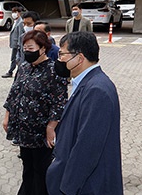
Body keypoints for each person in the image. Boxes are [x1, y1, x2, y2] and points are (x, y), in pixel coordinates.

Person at [47, 31, 122, 195]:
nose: (58, 60)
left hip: (87, 186)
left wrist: (67, 188)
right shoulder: (86, 82)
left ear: (79, 58)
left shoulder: (97, 90)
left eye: (62, 54)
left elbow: (87, 149)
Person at [2, 30, 68, 195]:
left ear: (43, 48)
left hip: (41, 134)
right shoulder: (23, 67)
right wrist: (7, 116)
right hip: (23, 131)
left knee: (41, 170)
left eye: (30, 48)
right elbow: (13, 93)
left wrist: (51, 127)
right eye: (24, 48)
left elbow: (59, 102)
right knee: (27, 166)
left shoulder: (54, 71)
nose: (26, 52)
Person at [2, 7, 24, 78]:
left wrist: (19, 44)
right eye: (13, 12)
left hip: (17, 44)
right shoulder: (15, 21)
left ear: (19, 13)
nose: (13, 14)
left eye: (15, 12)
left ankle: (12, 71)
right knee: (14, 58)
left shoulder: (20, 22)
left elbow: (21, 34)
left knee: (16, 58)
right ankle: (12, 71)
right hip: (14, 44)